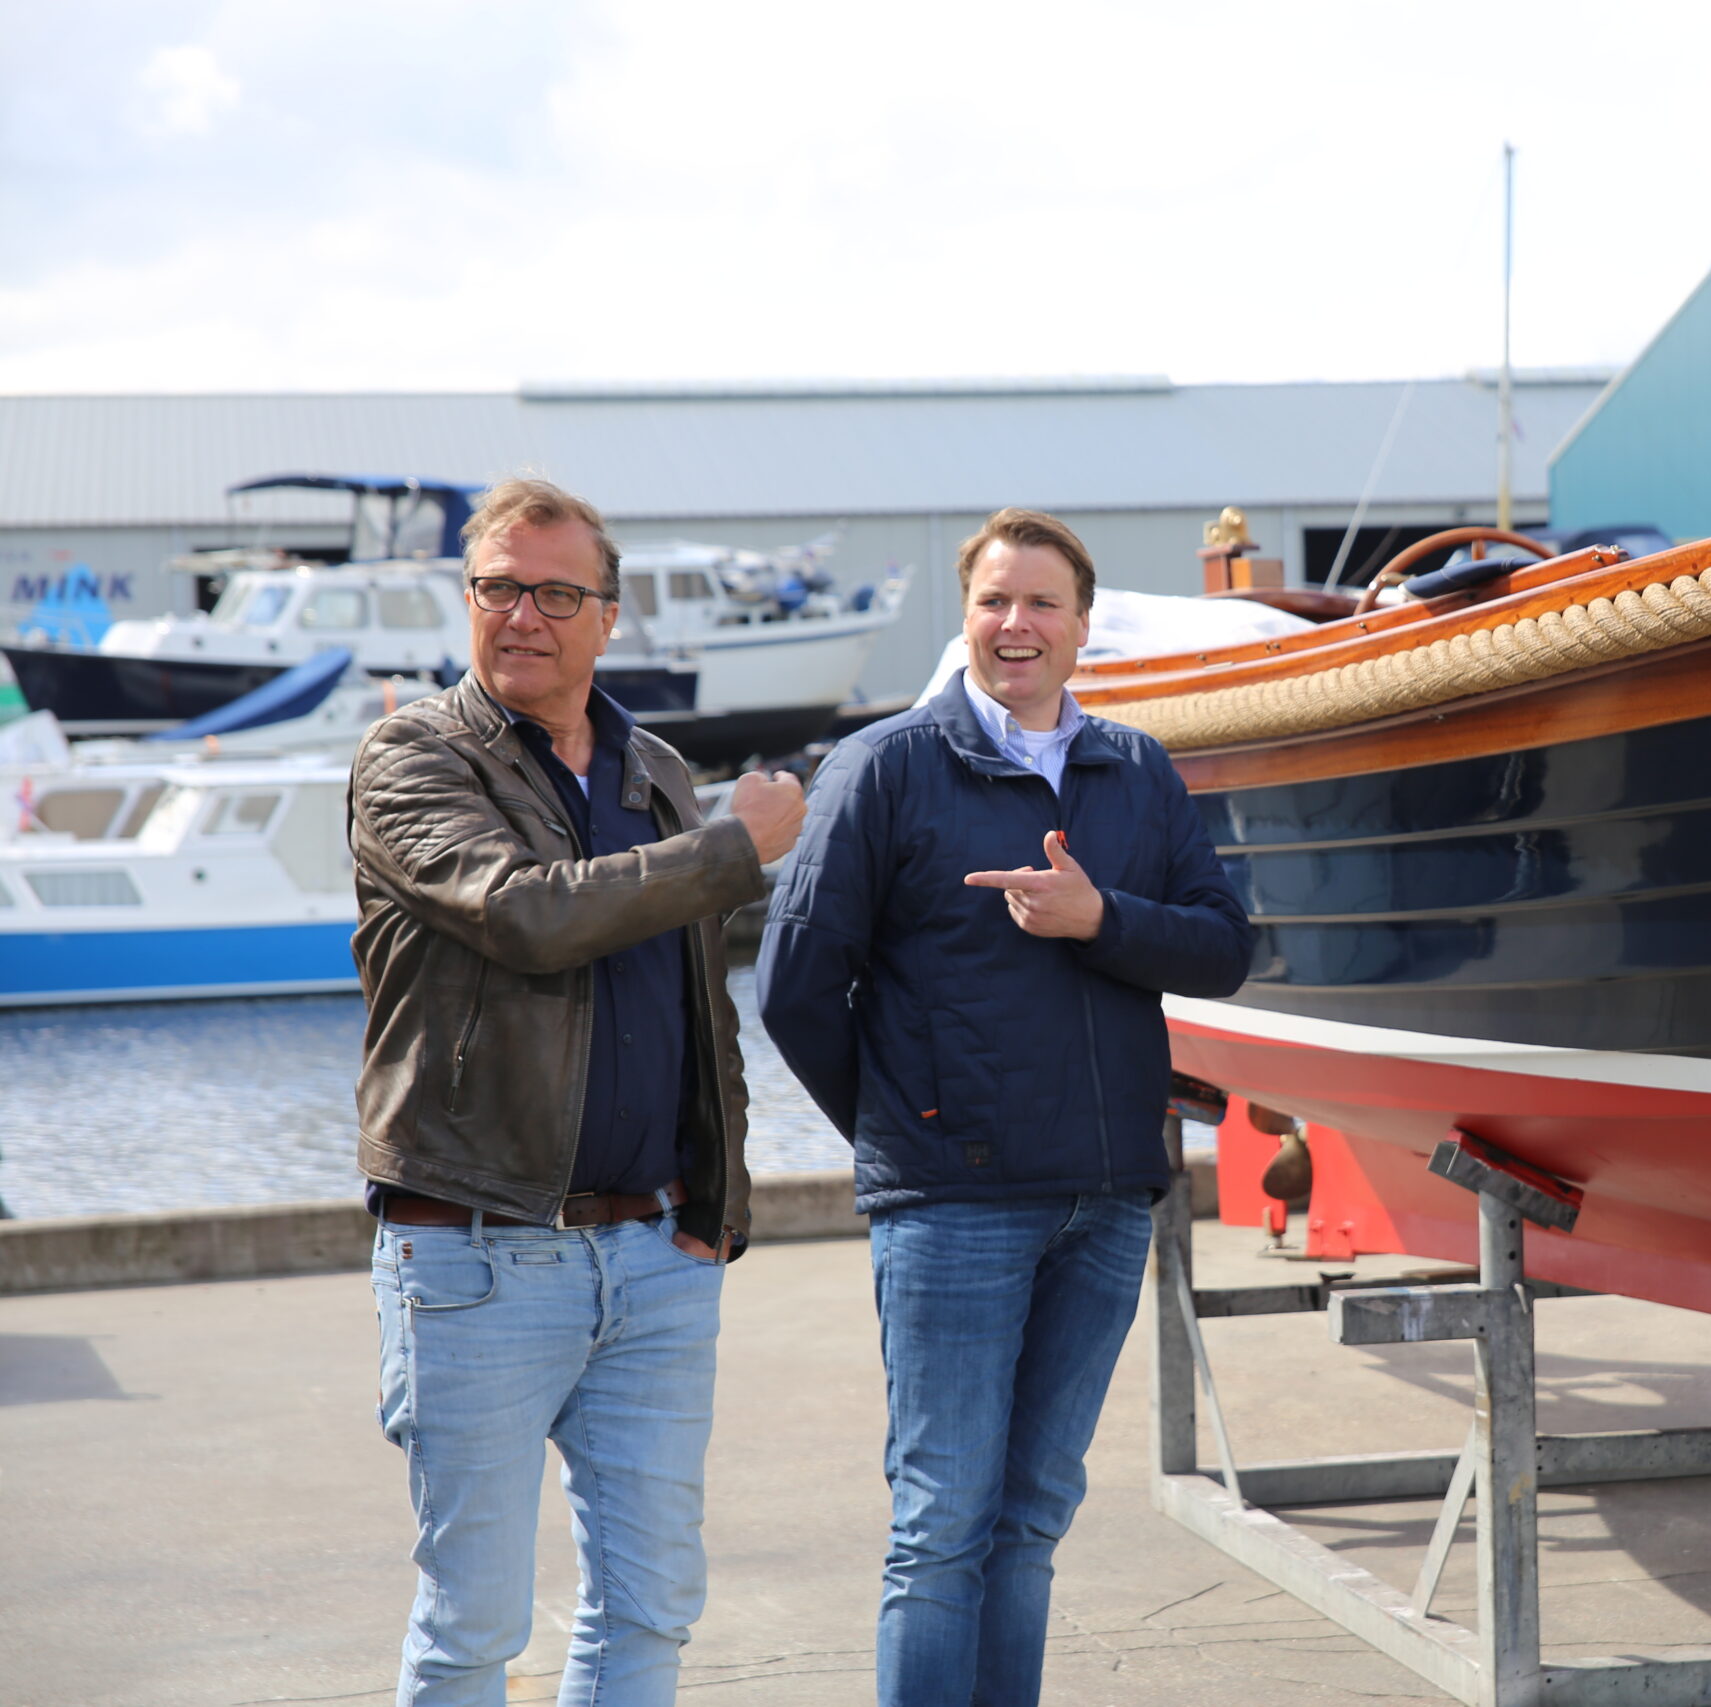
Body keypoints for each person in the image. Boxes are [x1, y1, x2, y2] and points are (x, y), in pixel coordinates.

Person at [758, 507, 1253, 1706]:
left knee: (1030, 1520)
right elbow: (794, 988)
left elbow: (1225, 948)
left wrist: (1101, 919)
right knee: (941, 1526)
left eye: (1041, 603)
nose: (1015, 623)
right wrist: (910, 1127)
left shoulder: (1136, 769)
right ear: (965, 617)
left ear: (1083, 629)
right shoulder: (883, 768)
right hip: (954, 1203)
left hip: (1108, 1200)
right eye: (993, 601)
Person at [347, 477, 807, 1706]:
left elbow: (701, 1007)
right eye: (499, 586)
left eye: (556, 594)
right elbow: (523, 916)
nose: (523, 616)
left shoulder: (654, 769)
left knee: (650, 1611)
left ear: (608, 617)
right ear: (468, 599)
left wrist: (716, 1207)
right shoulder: (412, 756)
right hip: (477, 1257)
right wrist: (732, 846)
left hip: (657, 1258)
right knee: (474, 1626)